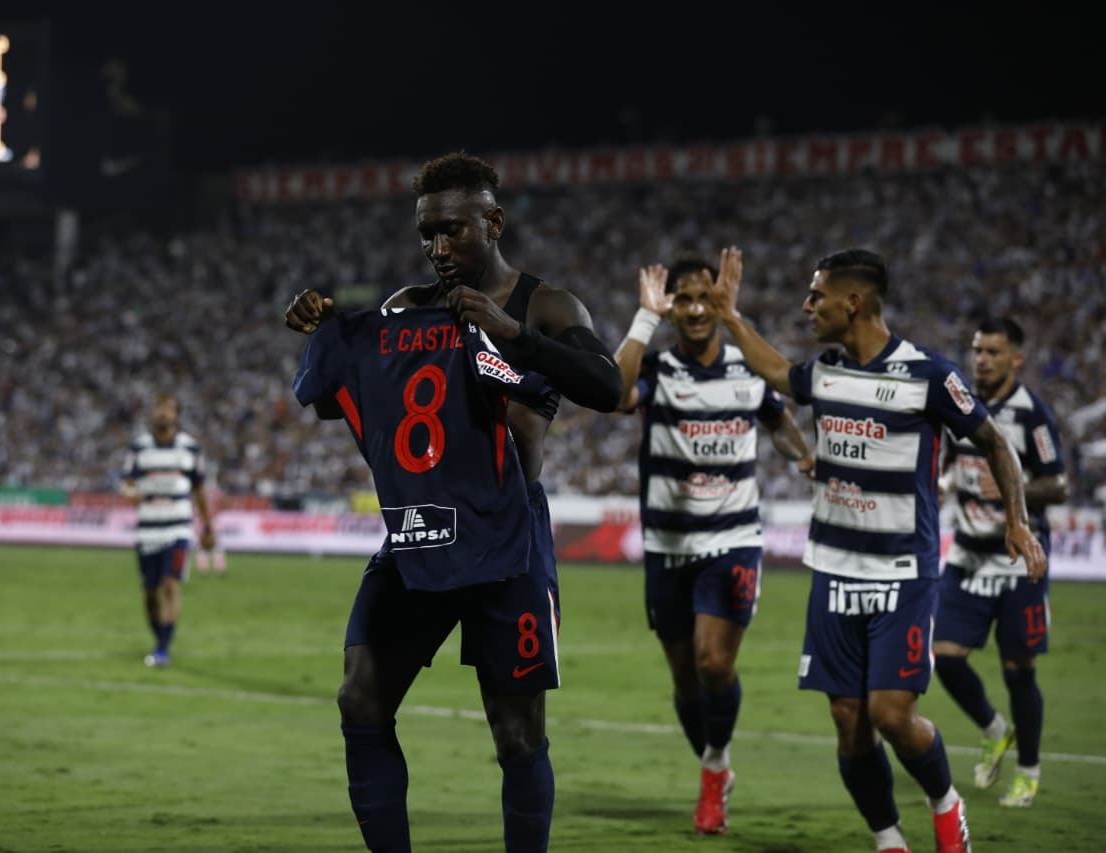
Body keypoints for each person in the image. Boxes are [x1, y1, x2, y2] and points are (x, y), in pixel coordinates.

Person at [285, 151, 622, 853]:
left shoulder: (547, 305)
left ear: (493, 222)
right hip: (420, 529)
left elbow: (606, 386)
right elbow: (348, 403)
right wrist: (322, 322)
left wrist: (514, 333)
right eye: (427, 234)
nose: (438, 249)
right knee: (360, 695)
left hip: (509, 539)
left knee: (517, 733)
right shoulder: (404, 309)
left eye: (454, 231)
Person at [705, 247, 1047, 853]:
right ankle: (889, 839)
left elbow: (998, 444)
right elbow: (780, 373)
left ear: (853, 301)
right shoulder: (828, 370)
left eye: (817, 296)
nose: (808, 306)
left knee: (892, 714)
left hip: (901, 573)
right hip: (833, 571)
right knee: (847, 722)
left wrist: (1016, 522)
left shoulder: (928, 376)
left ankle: (945, 806)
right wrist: (731, 319)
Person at [612, 255, 813, 834]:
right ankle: (713, 766)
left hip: (732, 539)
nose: (696, 309)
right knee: (684, 678)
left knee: (713, 661)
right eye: (684, 299)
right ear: (671, 306)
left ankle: (714, 768)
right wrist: (643, 321)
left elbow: (778, 419)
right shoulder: (657, 368)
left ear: (718, 303)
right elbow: (618, 396)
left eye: (705, 297)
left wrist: (802, 454)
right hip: (668, 545)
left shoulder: (747, 370)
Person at [934, 317, 1067, 808]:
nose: (982, 359)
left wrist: (1015, 489)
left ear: (1016, 359)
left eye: (992, 351)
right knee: (944, 657)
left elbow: (1059, 483)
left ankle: (1028, 771)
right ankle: (994, 729)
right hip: (968, 554)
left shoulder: (1033, 415)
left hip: (1017, 561)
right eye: (977, 350)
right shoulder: (961, 403)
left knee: (1019, 669)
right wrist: (946, 484)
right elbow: (949, 459)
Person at [119, 392, 216, 667]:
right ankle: (160, 637)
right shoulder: (139, 448)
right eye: (158, 408)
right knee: (150, 592)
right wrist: (130, 493)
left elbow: (199, 490)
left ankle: (163, 647)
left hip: (178, 528)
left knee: (170, 584)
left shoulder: (190, 449)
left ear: (176, 414)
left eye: (168, 409)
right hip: (148, 530)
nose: (162, 413)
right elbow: (126, 483)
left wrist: (208, 526)